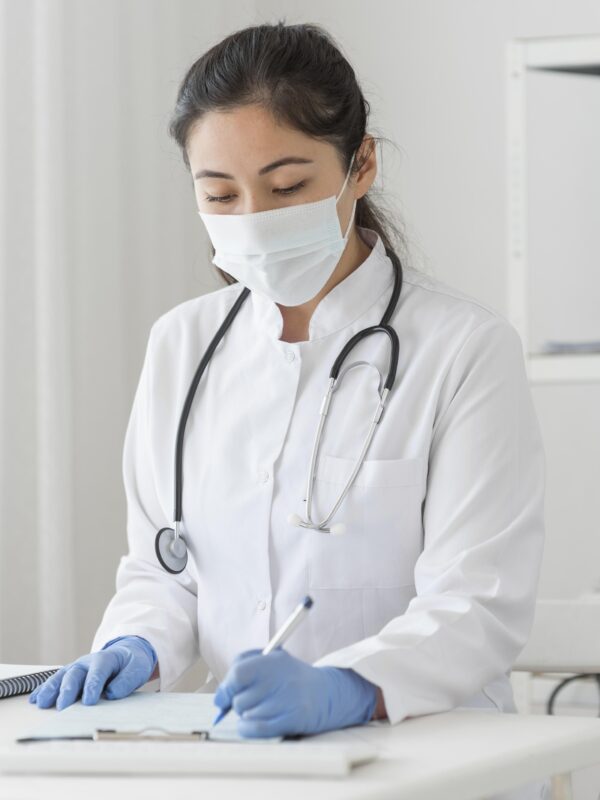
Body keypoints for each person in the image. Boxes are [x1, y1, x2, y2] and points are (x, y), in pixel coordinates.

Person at [30, 19, 548, 799]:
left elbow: (477, 605)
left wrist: (347, 687)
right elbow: (165, 571)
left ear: (360, 164)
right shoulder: (181, 345)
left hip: (434, 763)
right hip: (248, 761)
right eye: (220, 194)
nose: (253, 219)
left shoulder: (465, 351)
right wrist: (137, 642)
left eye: (287, 187)